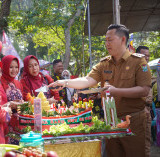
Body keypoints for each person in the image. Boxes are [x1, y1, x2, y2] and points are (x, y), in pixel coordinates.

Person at [49, 24, 151, 157]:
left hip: (134, 121)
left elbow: (144, 90)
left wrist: (116, 91)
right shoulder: (104, 64)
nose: (107, 43)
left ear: (123, 40)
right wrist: (65, 82)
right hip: (110, 121)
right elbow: (88, 80)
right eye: (105, 40)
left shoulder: (138, 62)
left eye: (110, 40)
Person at [136, 45, 151, 157]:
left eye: (148, 55)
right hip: (140, 110)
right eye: (144, 55)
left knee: (146, 140)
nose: (147, 58)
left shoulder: (147, 69)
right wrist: (143, 107)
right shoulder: (137, 69)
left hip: (147, 110)